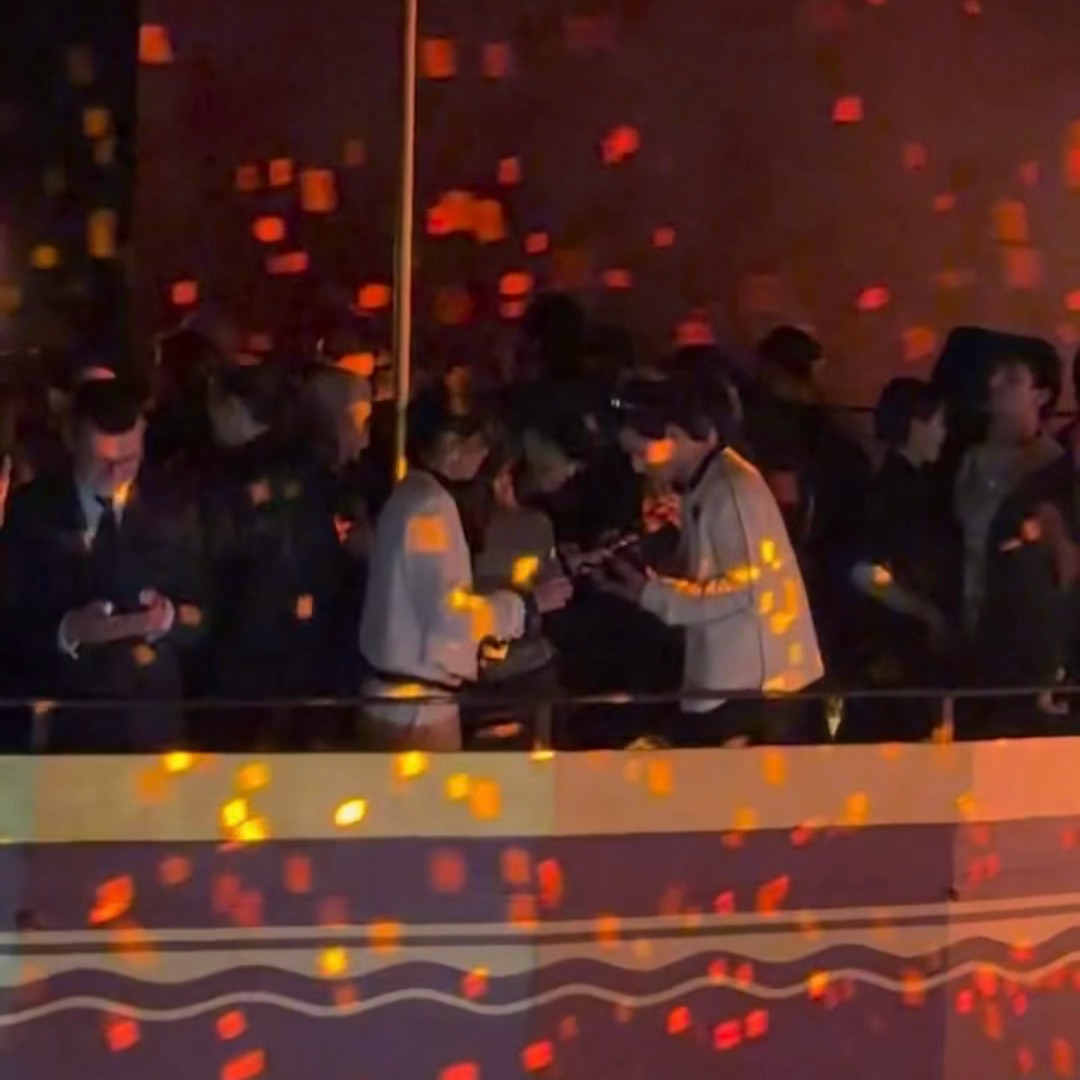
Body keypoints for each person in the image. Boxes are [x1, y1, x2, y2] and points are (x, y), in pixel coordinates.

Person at [596, 370, 824, 745]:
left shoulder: (731, 489)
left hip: (754, 691)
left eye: (640, 452)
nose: (637, 466)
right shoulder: (708, 484)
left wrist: (652, 594)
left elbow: (746, 590)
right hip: (737, 685)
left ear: (675, 436)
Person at [358, 390, 572, 750]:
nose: (485, 455)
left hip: (399, 699)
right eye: (481, 443)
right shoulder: (431, 507)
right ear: (453, 445)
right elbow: (451, 617)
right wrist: (526, 605)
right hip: (418, 711)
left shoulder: (409, 495)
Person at [1, 379, 205, 750]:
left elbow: (208, 612)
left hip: (151, 724)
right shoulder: (33, 510)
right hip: (64, 725)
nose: (117, 475)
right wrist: (68, 630)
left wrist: (169, 618)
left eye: (129, 461)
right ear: (73, 441)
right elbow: (12, 622)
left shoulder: (174, 505)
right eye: (103, 462)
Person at [196, 359, 343, 745]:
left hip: (242, 652)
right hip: (304, 650)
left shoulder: (228, 479)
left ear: (231, 407)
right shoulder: (312, 471)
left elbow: (218, 556)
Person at [844, 378, 957, 739]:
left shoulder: (904, 487)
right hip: (897, 649)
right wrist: (925, 611)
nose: (944, 433)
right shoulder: (897, 494)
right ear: (916, 424)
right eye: (939, 422)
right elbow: (864, 572)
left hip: (900, 648)